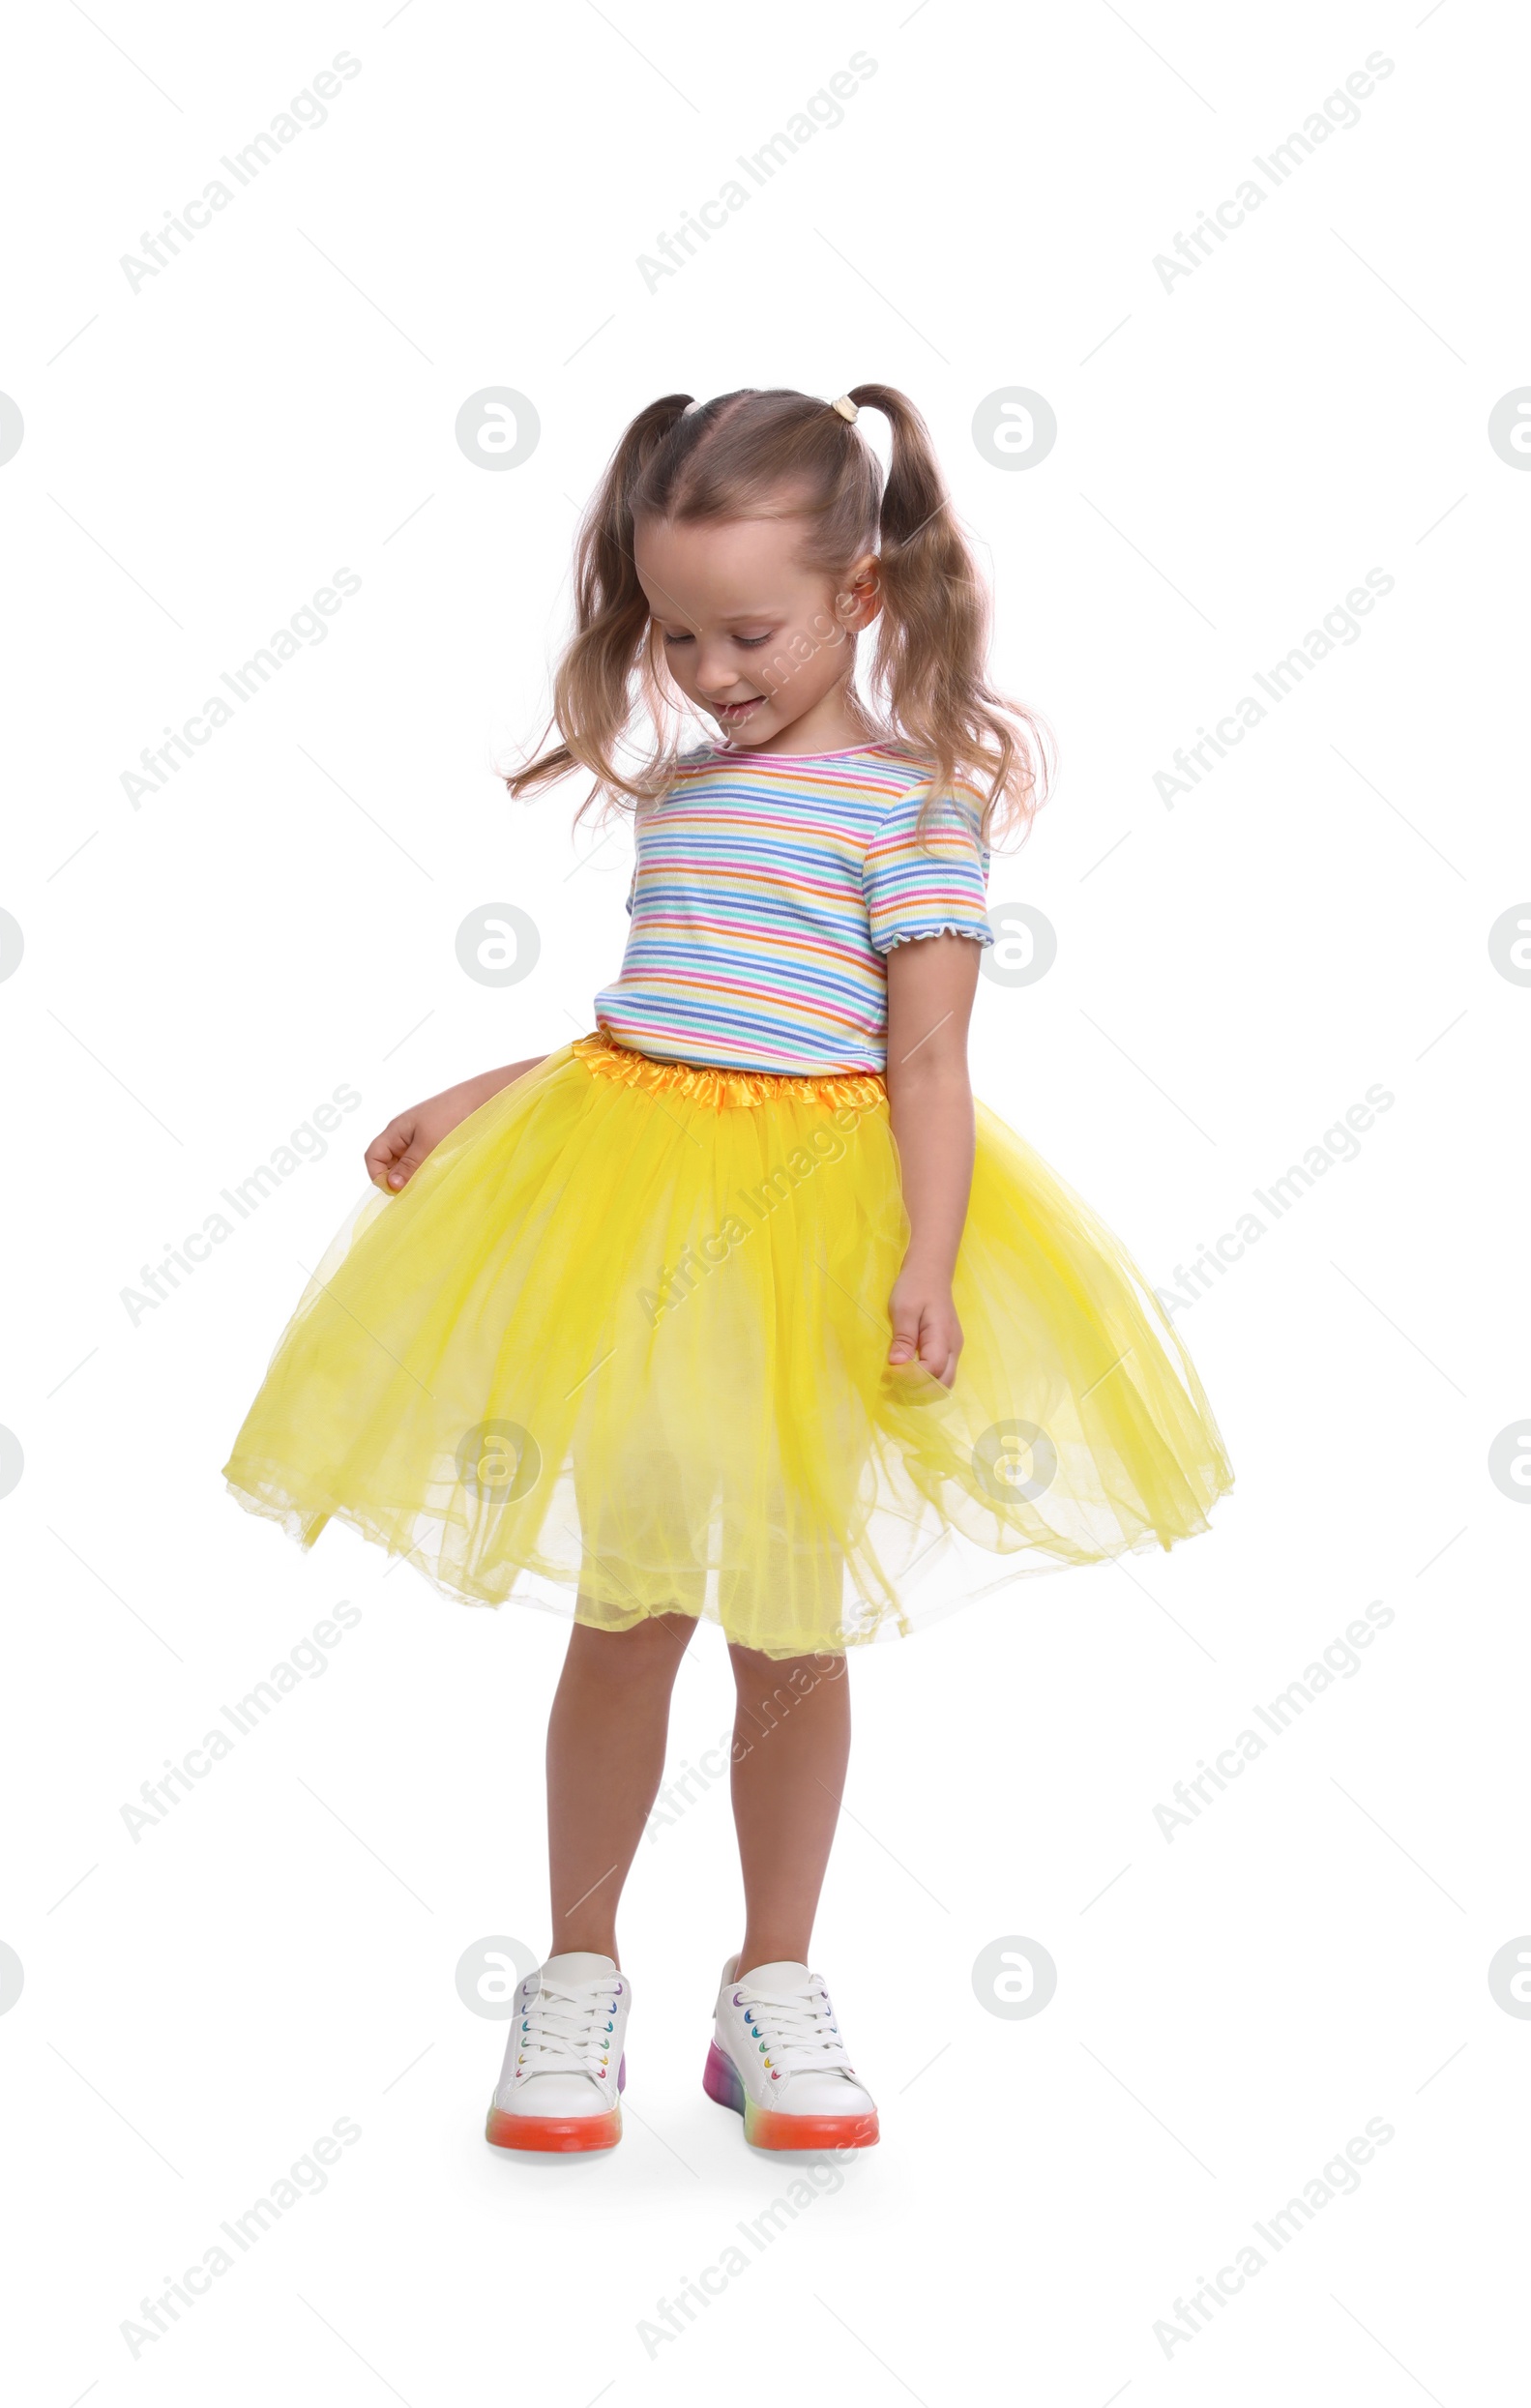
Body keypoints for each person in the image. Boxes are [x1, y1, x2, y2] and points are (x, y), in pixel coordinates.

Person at [222, 384, 1233, 2157]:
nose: (707, 668)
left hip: (816, 1237)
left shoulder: (915, 810)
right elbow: (655, 1024)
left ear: (862, 598)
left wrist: (928, 1250)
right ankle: (577, 1972)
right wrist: (489, 1092)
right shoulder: (687, 795)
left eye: (746, 630)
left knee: (789, 1624)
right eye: (677, 632)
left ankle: (773, 1981)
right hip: (640, 1230)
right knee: (626, 1612)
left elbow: (923, 1061)